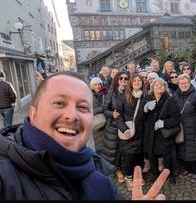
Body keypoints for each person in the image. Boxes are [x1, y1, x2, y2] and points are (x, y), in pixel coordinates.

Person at [0, 71, 169, 200]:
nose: (72, 115)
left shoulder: (102, 179)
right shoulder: (6, 177)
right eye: (59, 103)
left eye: (83, 107)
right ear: (33, 112)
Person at [143, 78, 181, 184]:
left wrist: (163, 123)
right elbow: (142, 118)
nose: (159, 87)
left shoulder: (170, 100)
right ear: (152, 87)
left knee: (168, 157)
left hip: (164, 134)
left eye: (162, 85)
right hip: (150, 134)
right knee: (152, 156)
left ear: (165, 88)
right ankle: (155, 175)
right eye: (157, 85)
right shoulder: (147, 98)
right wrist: (145, 109)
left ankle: (170, 175)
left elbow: (176, 118)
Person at [173, 74, 196, 183]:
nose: (184, 85)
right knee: (183, 150)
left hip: (193, 128)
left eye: (186, 83)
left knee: (195, 151)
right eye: (181, 83)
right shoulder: (175, 96)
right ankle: (187, 169)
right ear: (178, 84)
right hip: (181, 129)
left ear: (189, 83)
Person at [117, 74, 146, 190]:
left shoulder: (145, 96)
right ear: (131, 83)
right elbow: (117, 116)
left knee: (139, 155)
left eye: (139, 81)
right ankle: (128, 176)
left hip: (140, 131)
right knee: (129, 156)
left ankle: (138, 175)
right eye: (135, 81)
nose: (137, 82)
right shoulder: (124, 97)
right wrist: (124, 129)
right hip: (128, 131)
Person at [103, 71, 129, 182]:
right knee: (114, 150)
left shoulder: (130, 92)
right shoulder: (111, 93)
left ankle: (124, 169)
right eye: (121, 78)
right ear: (117, 80)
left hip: (126, 125)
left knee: (124, 150)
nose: (123, 80)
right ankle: (117, 170)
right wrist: (111, 114)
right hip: (113, 126)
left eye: (126, 78)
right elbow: (105, 109)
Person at [89, 77, 107, 151]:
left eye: (99, 84)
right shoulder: (88, 96)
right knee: (98, 146)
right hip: (96, 124)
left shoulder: (106, 94)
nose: (98, 86)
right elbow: (89, 111)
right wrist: (101, 109)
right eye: (95, 84)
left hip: (107, 122)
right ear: (92, 86)